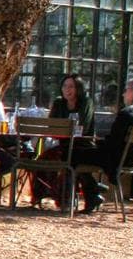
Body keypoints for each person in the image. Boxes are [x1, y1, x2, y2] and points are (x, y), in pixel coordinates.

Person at [70, 77, 133, 214]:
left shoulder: (127, 114)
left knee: (73, 154)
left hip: (116, 160)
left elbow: (113, 143)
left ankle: (92, 192)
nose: (123, 94)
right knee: (84, 153)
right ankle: (95, 188)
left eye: (126, 90)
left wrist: (97, 143)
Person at [33, 73, 96, 207]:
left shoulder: (86, 102)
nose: (68, 89)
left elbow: (83, 128)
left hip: (82, 146)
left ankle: (65, 199)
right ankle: (41, 196)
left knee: (69, 161)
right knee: (43, 160)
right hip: (63, 145)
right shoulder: (58, 103)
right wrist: (63, 130)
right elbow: (51, 126)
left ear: (78, 88)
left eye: (71, 86)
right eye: (65, 86)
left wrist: (64, 129)